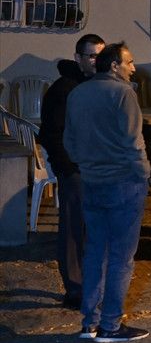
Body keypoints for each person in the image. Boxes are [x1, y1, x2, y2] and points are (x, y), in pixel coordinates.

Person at [62, 42, 151, 342]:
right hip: (124, 181)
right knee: (121, 257)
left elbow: (70, 141)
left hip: (91, 180)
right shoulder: (123, 93)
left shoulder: (78, 93)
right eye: (129, 62)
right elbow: (133, 141)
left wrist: (88, 164)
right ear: (114, 65)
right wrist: (144, 172)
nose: (133, 68)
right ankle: (111, 325)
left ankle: (90, 322)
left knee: (95, 252)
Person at [36, 33, 104, 309]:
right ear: (78, 58)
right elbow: (51, 133)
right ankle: (75, 289)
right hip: (75, 170)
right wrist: (67, 167)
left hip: (96, 169)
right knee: (73, 229)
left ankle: (89, 285)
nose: (97, 61)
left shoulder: (97, 85)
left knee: (93, 228)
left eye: (101, 55)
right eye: (92, 56)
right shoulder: (64, 89)